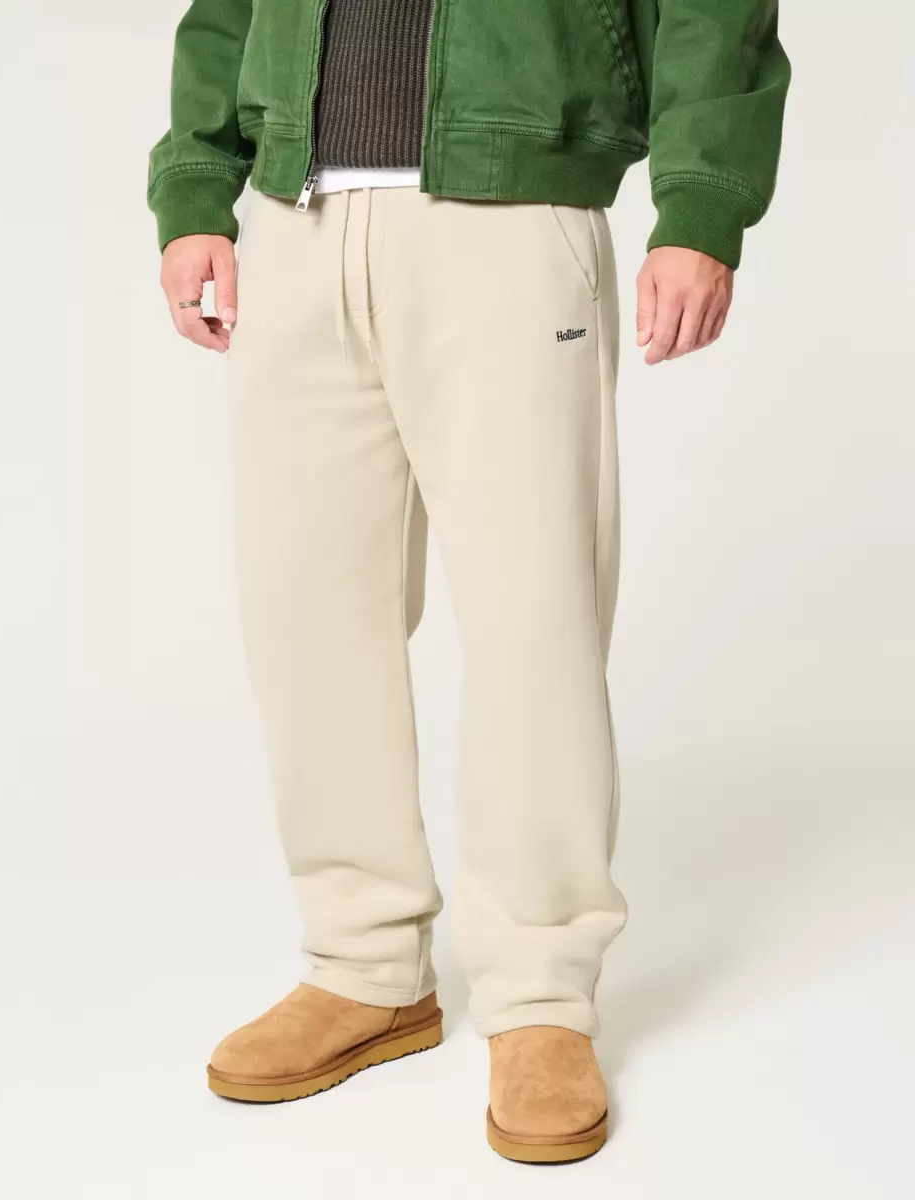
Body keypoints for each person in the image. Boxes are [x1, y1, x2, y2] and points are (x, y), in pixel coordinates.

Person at [148, 0, 788, 1164]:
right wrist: (197, 184)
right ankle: (364, 964)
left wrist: (701, 204)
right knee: (306, 617)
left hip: (512, 209)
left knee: (535, 622)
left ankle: (541, 993)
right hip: (296, 215)